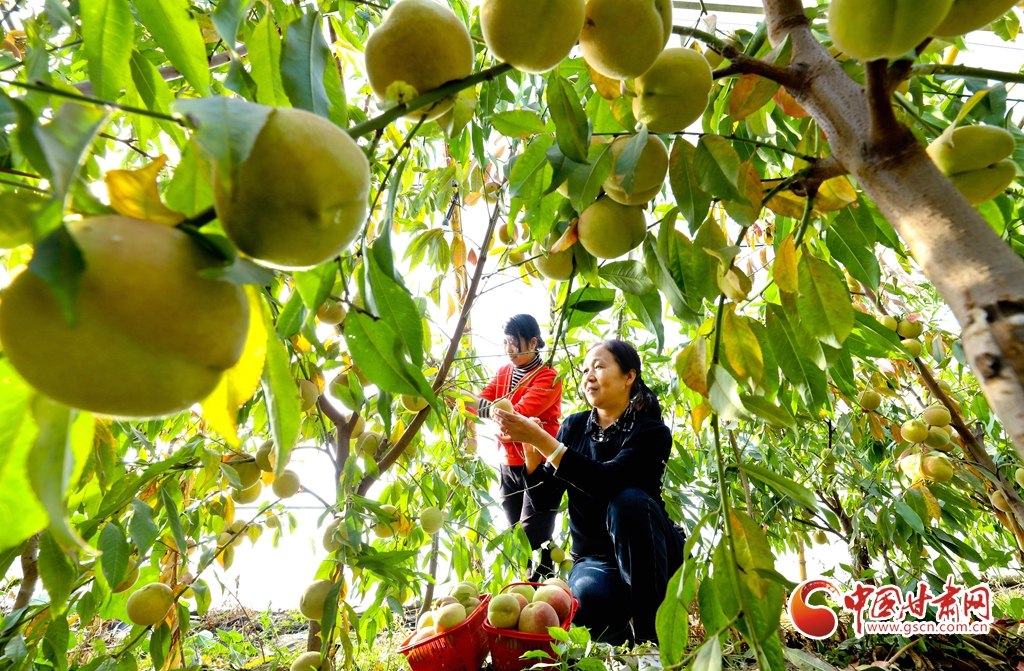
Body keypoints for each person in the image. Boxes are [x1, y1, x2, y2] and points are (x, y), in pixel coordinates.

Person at [492, 339, 684, 646]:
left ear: (629, 376)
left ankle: (651, 641)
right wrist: (531, 455)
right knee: (586, 602)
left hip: (651, 553)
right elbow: (545, 500)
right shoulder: (574, 427)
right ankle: (623, 641)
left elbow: (607, 481)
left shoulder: (651, 432)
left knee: (628, 501)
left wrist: (544, 441)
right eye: (584, 370)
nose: (589, 376)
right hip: (596, 559)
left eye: (599, 366)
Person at [465, 314, 563, 581]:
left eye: (513, 342)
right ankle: (527, 592)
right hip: (508, 465)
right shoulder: (503, 373)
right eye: (505, 342)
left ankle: (541, 593)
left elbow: (515, 418)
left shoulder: (548, 378)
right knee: (516, 535)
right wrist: (458, 396)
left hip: (539, 466)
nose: (508, 349)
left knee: (534, 537)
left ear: (532, 342)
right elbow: (480, 404)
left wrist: (482, 408)